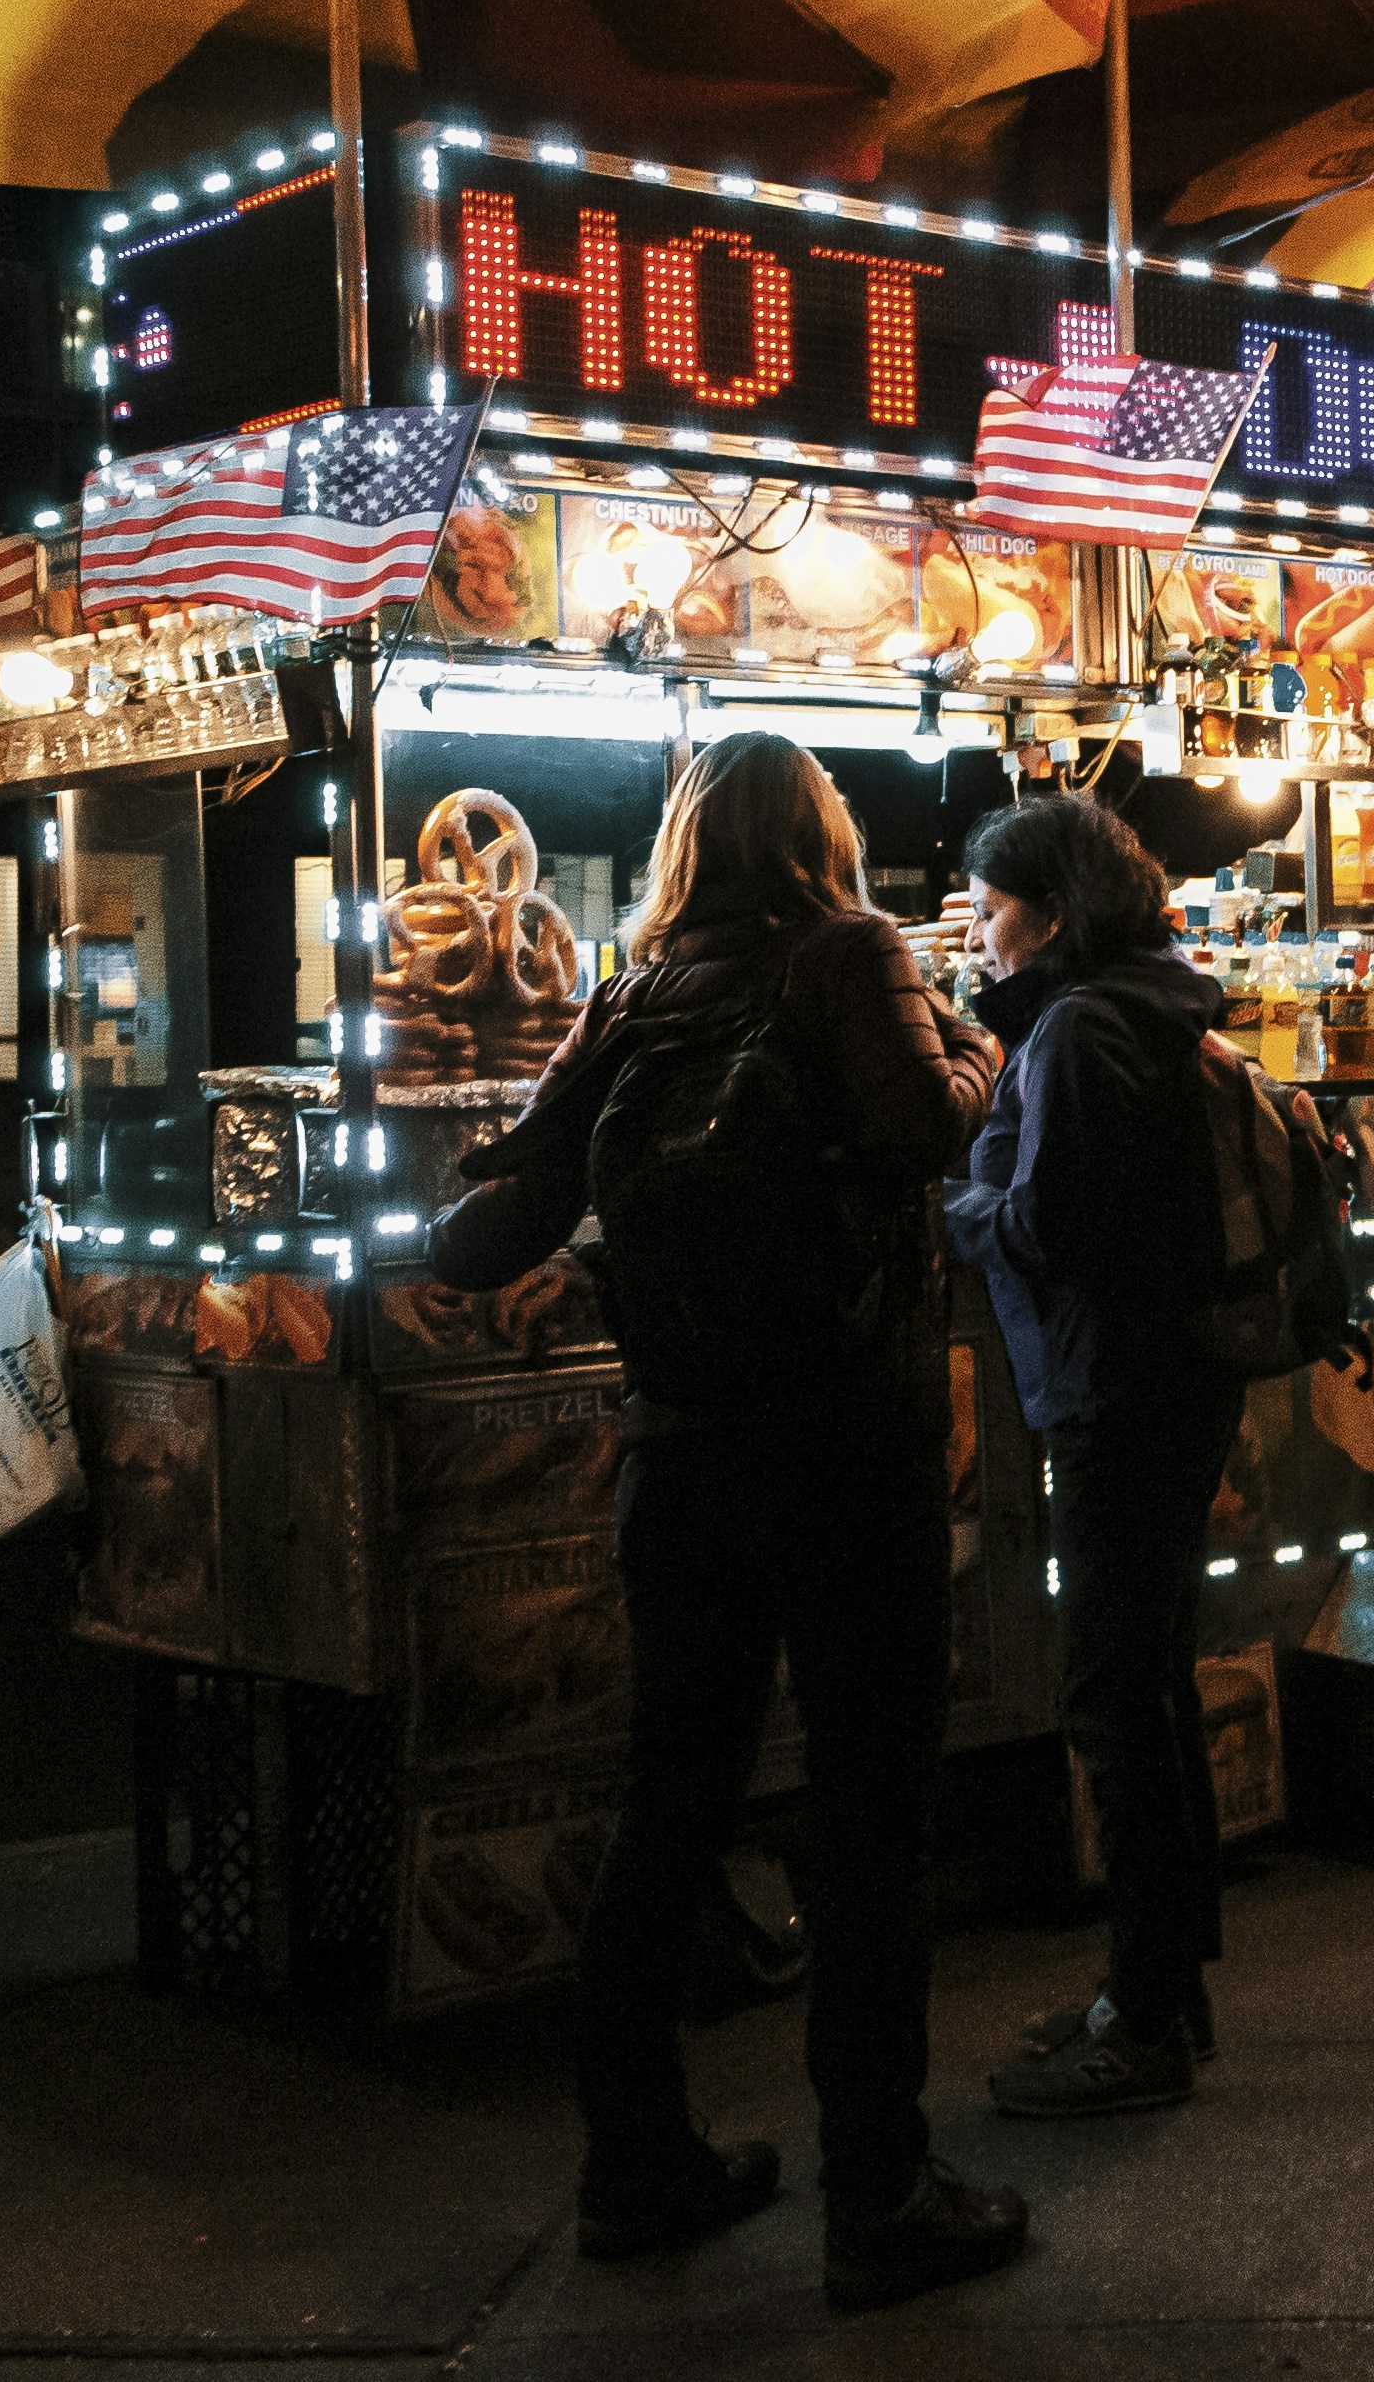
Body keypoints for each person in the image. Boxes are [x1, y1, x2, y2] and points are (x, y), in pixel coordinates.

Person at [430, 732, 1029, 2314]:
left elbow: (491, 1227)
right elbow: (918, 1131)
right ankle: (878, 2193)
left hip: (680, 1461)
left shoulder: (626, 1000)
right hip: (845, 1455)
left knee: (669, 1810)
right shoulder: (854, 955)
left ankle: (636, 2169)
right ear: (818, 835)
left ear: (685, 847)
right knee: (864, 1820)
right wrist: (973, 1051)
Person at [943, 791, 1244, 2117]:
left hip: (1112, 1389)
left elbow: (1050, 1224)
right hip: (1172, 1381)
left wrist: (956, 1206)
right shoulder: (1147, 1004)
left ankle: (1149, 2027)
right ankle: (1159, 1988)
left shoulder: (1075, 1027)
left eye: (996, 910)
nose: (984, 936)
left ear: (1052, 914)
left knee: (1112, 1701)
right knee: (1152, 1687)